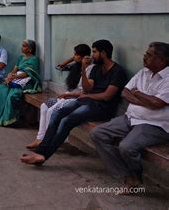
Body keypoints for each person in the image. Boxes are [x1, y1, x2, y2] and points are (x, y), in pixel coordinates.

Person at [21, 39, 127, 165]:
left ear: (103, 53)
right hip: (87, 101)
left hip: (102, 107)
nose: (92, 55)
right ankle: (40, 151)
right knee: (56, 114)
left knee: (67, 121)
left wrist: (89, 96)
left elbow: (107, 96)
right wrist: (83, 69)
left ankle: (43, 155)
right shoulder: (96, 68)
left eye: (94, 52)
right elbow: (88, 89)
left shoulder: (118, 71)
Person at [90, 42, 169, 192]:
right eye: (145, 53)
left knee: (127, 146)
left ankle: (136, 176)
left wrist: (138, 93)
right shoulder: (143, 72)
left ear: (162, 60)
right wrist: (145, 100)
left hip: (154, 124)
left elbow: (156, 103)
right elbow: (125, 92)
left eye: (149, 55)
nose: (144, 57)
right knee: (97, 133)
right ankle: (126, 176)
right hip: (131, 117)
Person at [26, 44, 93, 149]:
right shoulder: (75, 66)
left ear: (82, 56)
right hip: (67, 96)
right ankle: (40, 138)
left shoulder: (90, 69)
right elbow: (59, 67)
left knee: (51, 111)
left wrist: (68, 95)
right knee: (44, 106)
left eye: (76, 54)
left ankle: (52, 140)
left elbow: (85, 91)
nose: (74, 56)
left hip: (76, 99)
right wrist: (74, 58)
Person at [0, 39, 40, 126]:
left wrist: (14, 77)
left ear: (30, 49)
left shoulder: (34, 59)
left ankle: (12, 119)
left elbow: (28, 73)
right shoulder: (20, 58)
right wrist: (9, 76)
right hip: (16, 79)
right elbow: (14, 70)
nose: (22, 47)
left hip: (26, 82)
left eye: (24, 46)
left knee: (13, 95)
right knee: (1, 89)